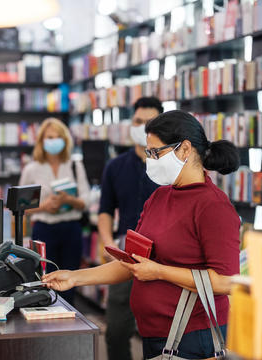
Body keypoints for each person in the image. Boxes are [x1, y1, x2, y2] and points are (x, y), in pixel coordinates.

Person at [43, 110, 241, 359]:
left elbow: (225, 281)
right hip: (156, 334)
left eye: (156, 152)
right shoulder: (160, 196)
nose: (151, 159)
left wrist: (159, 271)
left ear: (184, 149)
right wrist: (75, 277)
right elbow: (133, 263)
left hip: (193, 336)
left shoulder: (213, 206)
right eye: (148, 153)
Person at [98, 97, 162, 360]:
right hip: (124, 256)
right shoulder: (115, 166)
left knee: (159, 334)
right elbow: (104, 211)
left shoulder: (168, 168)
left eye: (150, 122)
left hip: (163, 257)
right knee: (115, 331)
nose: (143, 127)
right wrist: (106, 244)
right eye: (138, 121)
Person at [19, 117, 90, 305]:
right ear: (41, 140)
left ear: (65, 140)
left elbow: (87, 201)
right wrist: (44, 207)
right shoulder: (31, 169)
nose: (53, 141)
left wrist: (69, 200)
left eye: (58, 137)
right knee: (43, 280)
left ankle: (69, 321)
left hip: (71, 229)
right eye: (49, 137)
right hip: (44, 230)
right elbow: (20, 207)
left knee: (70, 281)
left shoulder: (75, 165)